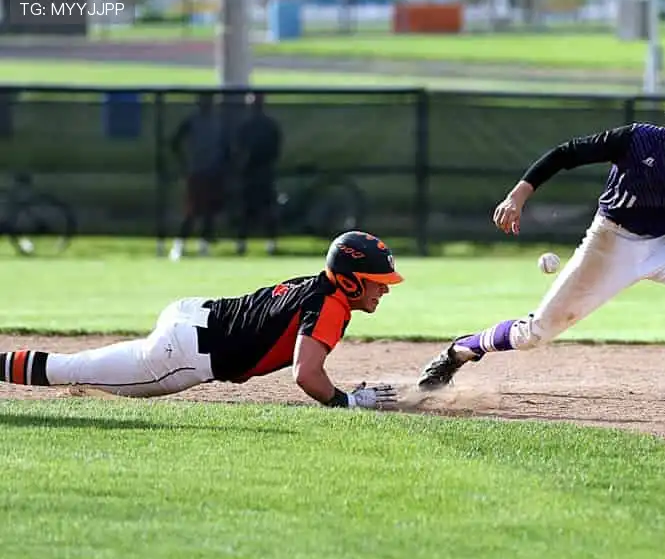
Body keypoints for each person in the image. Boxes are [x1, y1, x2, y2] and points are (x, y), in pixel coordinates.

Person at [416, 89, 665, 398]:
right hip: (609, 242)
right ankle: (461, 351)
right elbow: (566, 154)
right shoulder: (638, 141)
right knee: (535, 334)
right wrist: (518, 196)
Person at [0, 231, 403, 410]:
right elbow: (306, 375)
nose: (384, 289)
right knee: (71, 369)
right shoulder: (331, 304)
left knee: (86, 367)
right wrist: (346, 402)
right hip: (184, 353)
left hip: (192, 314)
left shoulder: (314, 286)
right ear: (351, 281)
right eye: (377, 282)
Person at [168, 93, 231, 261]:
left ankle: (204, 246)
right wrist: (184, 163)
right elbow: (175, 142)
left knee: (209, 211)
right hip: (196, 172)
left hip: (214, 171)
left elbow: (226, 148)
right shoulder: (192, 121)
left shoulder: (218, 124)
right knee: (191, 210)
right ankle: (179, 246)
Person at [232, 92, 284, 257]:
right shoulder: (245, 126)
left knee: (267, 210)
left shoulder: (268, 125)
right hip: (249, 174)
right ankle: (241, 243)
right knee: (246, 210)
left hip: (264, 172)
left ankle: (271, 243)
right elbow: (238, 149)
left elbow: (275, 148)